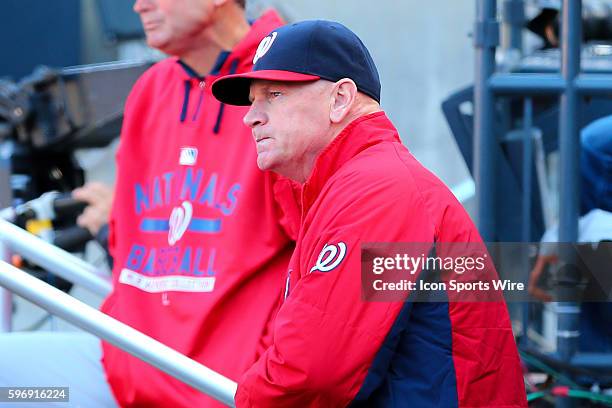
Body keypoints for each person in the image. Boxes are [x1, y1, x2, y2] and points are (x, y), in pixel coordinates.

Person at [212, 20, 528, 407]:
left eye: (274, 94)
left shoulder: (378, 190)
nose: (251, 117)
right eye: (252, 100)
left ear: (341, 99)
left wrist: (246, 399)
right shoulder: (355, 185)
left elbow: (312, 370)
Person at [0, 1, 299, 407]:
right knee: (10, 384)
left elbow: (328, 263)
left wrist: (259, 372)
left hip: (224, 385)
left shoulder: (288, 85)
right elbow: (127, 237)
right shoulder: (151, 88)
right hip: (127, 368)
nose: (140, 5)